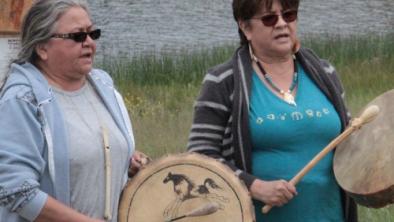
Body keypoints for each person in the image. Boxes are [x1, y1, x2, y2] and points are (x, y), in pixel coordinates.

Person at [187, 0, 358, 221]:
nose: (281, 24)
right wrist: (254, 186)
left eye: (288, 15)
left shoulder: (324, 72)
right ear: (245, 27)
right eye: (269, 18)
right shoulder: (223, 81)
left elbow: (350, 141)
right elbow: (199, 157)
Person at [0, 0, 146, 221]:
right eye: (77, 36)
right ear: (42, 48)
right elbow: (17, 190)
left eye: (92, 34)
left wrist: (126, 161)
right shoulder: (21, 100)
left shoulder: (103, 85)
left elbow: (87, 153)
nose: (89, 43)